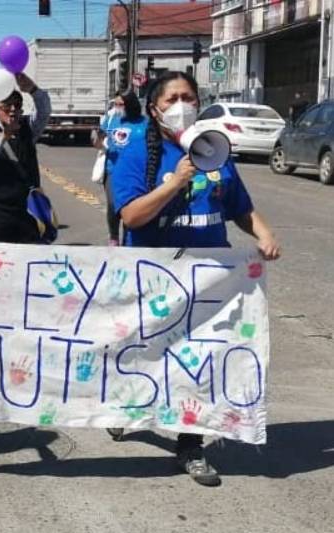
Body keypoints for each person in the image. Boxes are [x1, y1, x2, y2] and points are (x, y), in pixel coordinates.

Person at [112, 70, 281, 487]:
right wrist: (177, 182)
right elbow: (131, 216)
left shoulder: (215, 151)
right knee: (145, 355)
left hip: (207, 280)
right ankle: (125, 407)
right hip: (153, 278)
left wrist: (262, 232)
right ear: (154, 110)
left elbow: (239, 206)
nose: (181, 106)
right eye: (171, 100)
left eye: (188, 96)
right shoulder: (135, 153)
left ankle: (191, 444)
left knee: (199, 363)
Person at [0, 73, 52, 243]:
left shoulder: (27, 129)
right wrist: (3, 137)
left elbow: (44, 112)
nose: (13, 110)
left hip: (26, 206)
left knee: (29, 255)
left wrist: (33, 90)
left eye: (17, 106)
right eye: (7, 106)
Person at [95, 90, 147, 246]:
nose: (116, 107)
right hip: (113, 169)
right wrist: (97, 140)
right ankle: (114, 236)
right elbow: (100, 137)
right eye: (115, 104)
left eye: (120, 104)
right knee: (113, 204)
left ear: (130, 105)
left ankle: (129, 237)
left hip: (137, 171)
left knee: (131, 206)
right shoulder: (112, 119)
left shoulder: (144, 122)